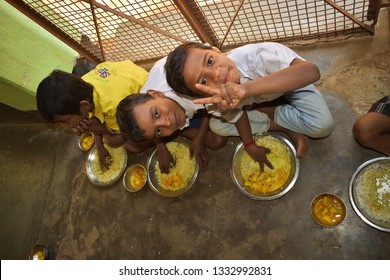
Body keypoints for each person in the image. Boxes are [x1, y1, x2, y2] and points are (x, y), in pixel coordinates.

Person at [164, 42, 335, 170]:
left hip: (292, 85)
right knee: (217, 126)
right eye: (203, 81)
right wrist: (249, 145)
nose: (217, 73)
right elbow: (237, 117)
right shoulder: (215, 98)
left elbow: (311, 72)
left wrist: (246, 89)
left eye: (210, 61)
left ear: (216, 50)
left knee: (323, 126)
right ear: (201, 94)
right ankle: (283, 121)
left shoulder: (257, 57)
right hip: (260, 100)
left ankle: (273, 112)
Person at [116, 57, 228, 173]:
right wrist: (161, 147)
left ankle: (179, 131)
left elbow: (212, 100)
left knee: (217, 141)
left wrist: (199, 139)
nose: (167, 123)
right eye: (158, 131)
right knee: (132, 146)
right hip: (181, 109)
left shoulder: (187, 81)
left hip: (205, 95)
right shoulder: (145, 106)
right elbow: (151, 125)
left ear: (156, 94)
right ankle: (176, 129)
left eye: (156, 114)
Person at [36, 60, 154, 168]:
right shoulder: (82, 86)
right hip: (129, 77)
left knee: (127, 145)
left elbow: (124, 132)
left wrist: (96, 131)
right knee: (95, 126)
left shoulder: (112, 107)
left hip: (150, 98)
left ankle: (160, 139)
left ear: (84, 106)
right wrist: (99, 145)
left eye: (65, 121)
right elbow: (92, 116)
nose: (64, 126)